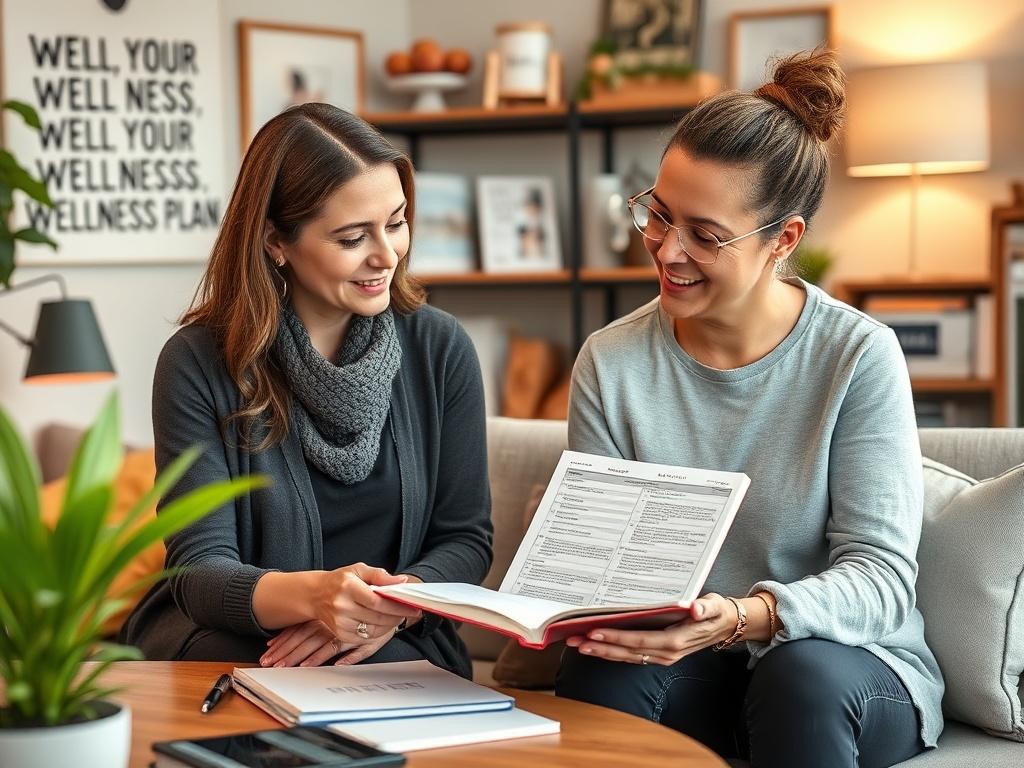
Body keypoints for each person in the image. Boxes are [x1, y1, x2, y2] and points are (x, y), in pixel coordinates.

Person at [555, 50, 943, 767]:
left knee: (800, 678)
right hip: (688, 663)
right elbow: (599, 572)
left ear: (783, 240)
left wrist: (741, 618)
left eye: (706, 234)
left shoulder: (857, 356)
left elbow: (882, 580)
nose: (668, 250)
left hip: (842, 668)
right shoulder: (611, 362)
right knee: (601, 664)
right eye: (659, 215)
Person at [120, 103, 492, 679]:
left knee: (385, 673)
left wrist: (384, 610)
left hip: (397, 636)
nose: (387, 255)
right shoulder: (197, 362)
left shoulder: (440, 349)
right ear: (275, 241)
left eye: (395, 223)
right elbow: (198, 570)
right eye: (351, 238)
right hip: (235, 640)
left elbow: (464, 539)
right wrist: (316, 598)